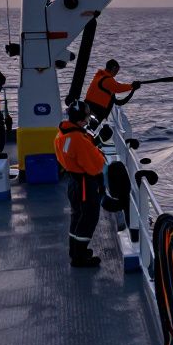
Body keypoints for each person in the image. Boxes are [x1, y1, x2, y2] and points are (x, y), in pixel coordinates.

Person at [54, 101, 106, 268]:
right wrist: (97, 150)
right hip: (85, 183)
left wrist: (91, 142)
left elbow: (73, 151)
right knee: (89, 217)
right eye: (85, 117)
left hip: (74, 182)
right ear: (81, 120)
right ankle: (80, 257)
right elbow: (96, 165)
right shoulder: (78, 139)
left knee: (77, 215)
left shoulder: (62, 133)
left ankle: (75, 250)